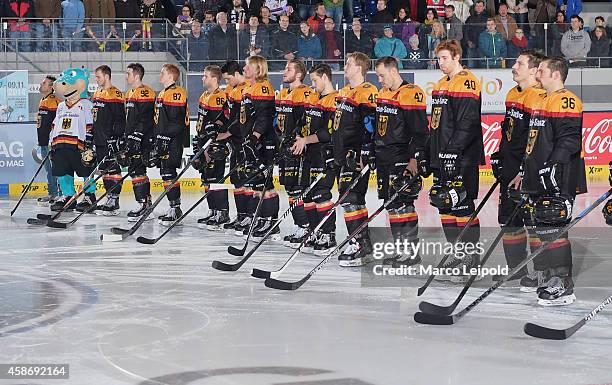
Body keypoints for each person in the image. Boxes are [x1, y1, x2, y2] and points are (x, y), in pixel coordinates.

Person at [518, 56, 587, 306]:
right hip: (538, 172)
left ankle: (563, 285)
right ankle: (548, 277)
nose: (538, 74)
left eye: (543, 71)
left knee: (553, 222)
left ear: (556, 74)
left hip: (559, 173)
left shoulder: (566, 100)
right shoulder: (541, 98)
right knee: (542, 228)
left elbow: (569, 139)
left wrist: (553, 166)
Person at [428, 40, 484, 282]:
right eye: (438, 58)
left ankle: (471, 260)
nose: (440, 62)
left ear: (457, 56)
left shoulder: (467, 80)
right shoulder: (440, 84)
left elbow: (468, 122)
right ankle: (457, 253)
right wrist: (430, 154)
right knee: (444, 204)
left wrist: (454, 151)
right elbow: (437, 125)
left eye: (444, 58)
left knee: (462, 205)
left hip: (462, 156)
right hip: (442, 156)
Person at [489, 50, 546, 284]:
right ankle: (516, 268)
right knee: (508, 219)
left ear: (533, 70)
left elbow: (538, 139)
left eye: (519, 63)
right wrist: (499, 157)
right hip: (510, 166)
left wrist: (525, 170)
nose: (514, 66)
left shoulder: (539, 96)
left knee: (532, 220)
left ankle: (542, 270)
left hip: (528, 169)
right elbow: (509, 130)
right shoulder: (512, 93)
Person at [373, 56, 428, 266]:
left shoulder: (411, 93)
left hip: (401, 156)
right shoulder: (382, 93)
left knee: (404, 203)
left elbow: (420, 131)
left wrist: (414, 158)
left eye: (382, 75)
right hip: (383, 157)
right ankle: (399, 248)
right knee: (391, 205)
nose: (379, 80)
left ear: (394, 71)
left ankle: (411, 252)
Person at [332, 52, 378, 266]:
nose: (344, 67)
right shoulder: (344, 91)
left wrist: (365, 152)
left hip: (356, 154)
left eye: (348, 64)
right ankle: (360, 241)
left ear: (359, 68)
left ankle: (360, 243)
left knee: (351, 198)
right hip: (343, 154)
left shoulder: (367, 91)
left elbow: (371, 125)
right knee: (348, 198)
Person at [291, 63, 338, 255]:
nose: (313, 85)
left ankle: (329, 234)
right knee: (308, 195)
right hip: (309, 154)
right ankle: (315, 231)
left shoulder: (334, 100)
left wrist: (306, 140)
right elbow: (304, 123)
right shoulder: (315, 99)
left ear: (325, 77)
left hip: (324, 154)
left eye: (315, 81)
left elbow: (328, 132)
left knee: (321, 194)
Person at [238, 56, 279, 240]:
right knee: (256, 182)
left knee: (265, 182)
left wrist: (255, 137)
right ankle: (262, 219)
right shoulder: (248, 87)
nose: (244, 68)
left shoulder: (263, 87)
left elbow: (264, 116)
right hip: (252, 141)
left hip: (263, 141)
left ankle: (270, 221)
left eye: (248, 66)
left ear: (258, 69)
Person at [275, 60, 314, 247]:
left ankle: (306, 227)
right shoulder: (283, 93)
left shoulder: (304, 93)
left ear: (298, 74)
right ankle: (301, 225)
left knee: (298, 188)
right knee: (290, 189)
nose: (284, 71)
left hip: (298, 148)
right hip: (285, 148)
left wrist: (301, 138)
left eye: (288, 69)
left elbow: (308, 120)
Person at [49, 68, 96, 212]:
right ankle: (68, 195)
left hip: (79, 145)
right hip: (60, 144)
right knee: (62, 171)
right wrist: (52, 141)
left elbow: (90, 124)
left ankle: (89, 195)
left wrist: (89, 142)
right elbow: (55, 124)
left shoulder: (86, 104)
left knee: (84, 171)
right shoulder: (61, 105)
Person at [193, 65, 230, 231]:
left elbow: (218, 125)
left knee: (216, 178)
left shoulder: (220, 97)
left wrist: (209, 147)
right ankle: (213, 210)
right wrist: (198, 143)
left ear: (214, 78)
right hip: (203, 142)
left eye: (205, 76)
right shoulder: (204, 95)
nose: (203, 79)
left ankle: (222, 212)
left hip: (214, 144)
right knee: (206, 178)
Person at [154, 64, 189, 226]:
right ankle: (173, 207)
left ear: (170, 76)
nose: (160, 75)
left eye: (162, 72)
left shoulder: (176, 93)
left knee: (169, 172)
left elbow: (177, 122)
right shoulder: (163, 93)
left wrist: (164, 138)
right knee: (165, 173)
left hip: (172, 141)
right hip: (163, 139)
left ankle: (176, 209)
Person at [218, 61, 250, 234]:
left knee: (246, 180)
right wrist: (217, 124)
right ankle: (241, 215)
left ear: (237, 74)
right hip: (235, 143)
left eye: (228, 78)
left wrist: (227, 133)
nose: (227, 82)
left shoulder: (246, 89)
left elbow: (241, 119)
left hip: (245, 141)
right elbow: (226, 114)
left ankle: (250, 216)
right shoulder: (231, 90)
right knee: (236, 180)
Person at [89, 65, 126, 215]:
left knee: (114, 169)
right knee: (105, 170)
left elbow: (120, 118)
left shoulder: (115, 93)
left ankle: (114, 200)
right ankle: (109, 198)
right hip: (99, 138)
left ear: (106, 76)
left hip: (110, 139)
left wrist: (115, 137)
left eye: (98, 77)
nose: (97, 80)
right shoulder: (98, 92)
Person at [124, 63, 156, 222]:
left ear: (136, 76)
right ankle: (143, 202)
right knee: (134, 170)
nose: (126, 76)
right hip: (132, 138)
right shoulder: (130, 93)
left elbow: (146, 117)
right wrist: (127, 136)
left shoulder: (145, 92)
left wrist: (137, 135)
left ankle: (145, 204)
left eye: (128, 73)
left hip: (142, 138)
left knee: (138, 170)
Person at [36, 76, 61, 205]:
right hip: (44, 142)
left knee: (56, 169)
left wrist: (53, 139)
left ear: (51, 87)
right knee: (49, 170)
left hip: (52, 143)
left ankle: (60, 194)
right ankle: (53, 193)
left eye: (44, 83)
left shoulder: (54, 101)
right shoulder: (43, 100)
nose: (41, 84)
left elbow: (58, 122)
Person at [464, 0, 489, 68]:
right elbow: (465, 31)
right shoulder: (470, 18)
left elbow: (489, 32)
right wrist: (468, 41)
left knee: (482, 65)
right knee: (471, 65)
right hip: (472, 45)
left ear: (484, 7)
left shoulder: (488, 18)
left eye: (480, 6)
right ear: (474, 7)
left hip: (483, 46)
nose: (478, 7)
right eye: (477, 6)